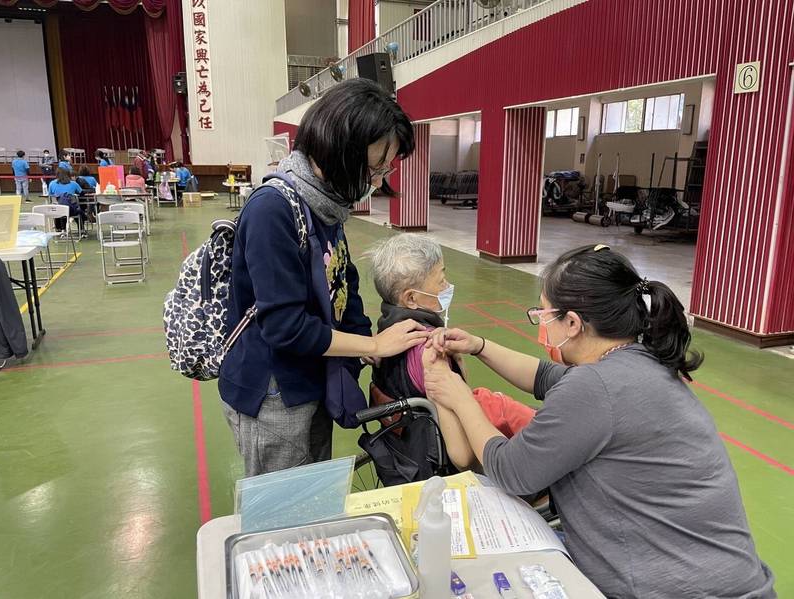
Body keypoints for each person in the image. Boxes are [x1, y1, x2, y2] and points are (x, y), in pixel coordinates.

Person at [423, 244, 775, 598]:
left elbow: (512, 470)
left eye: (544, 315)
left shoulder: (596, 387)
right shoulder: (636, 361)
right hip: (721, 577)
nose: (541, 325)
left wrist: (459, 397)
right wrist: (479, 346)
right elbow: (547, 376)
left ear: (573, 323)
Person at [219, 79, 426, 477]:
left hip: (312, 378)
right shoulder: (273, 210)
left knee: (309, 496)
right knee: (281, 515)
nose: (379, 181)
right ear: (340, 151)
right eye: (374, 167)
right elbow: (285, 327)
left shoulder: (326, 207)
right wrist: (372, 343)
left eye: (386, 168)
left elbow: (343, 284)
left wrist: (364, 340)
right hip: (273, 392)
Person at [367, 233, 536, 471]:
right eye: (441, 280)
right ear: (412, 298)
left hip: (401, 446)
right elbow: (462, 455)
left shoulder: (385, 334)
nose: (447, 287)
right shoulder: (431, 351)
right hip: (439, 457)